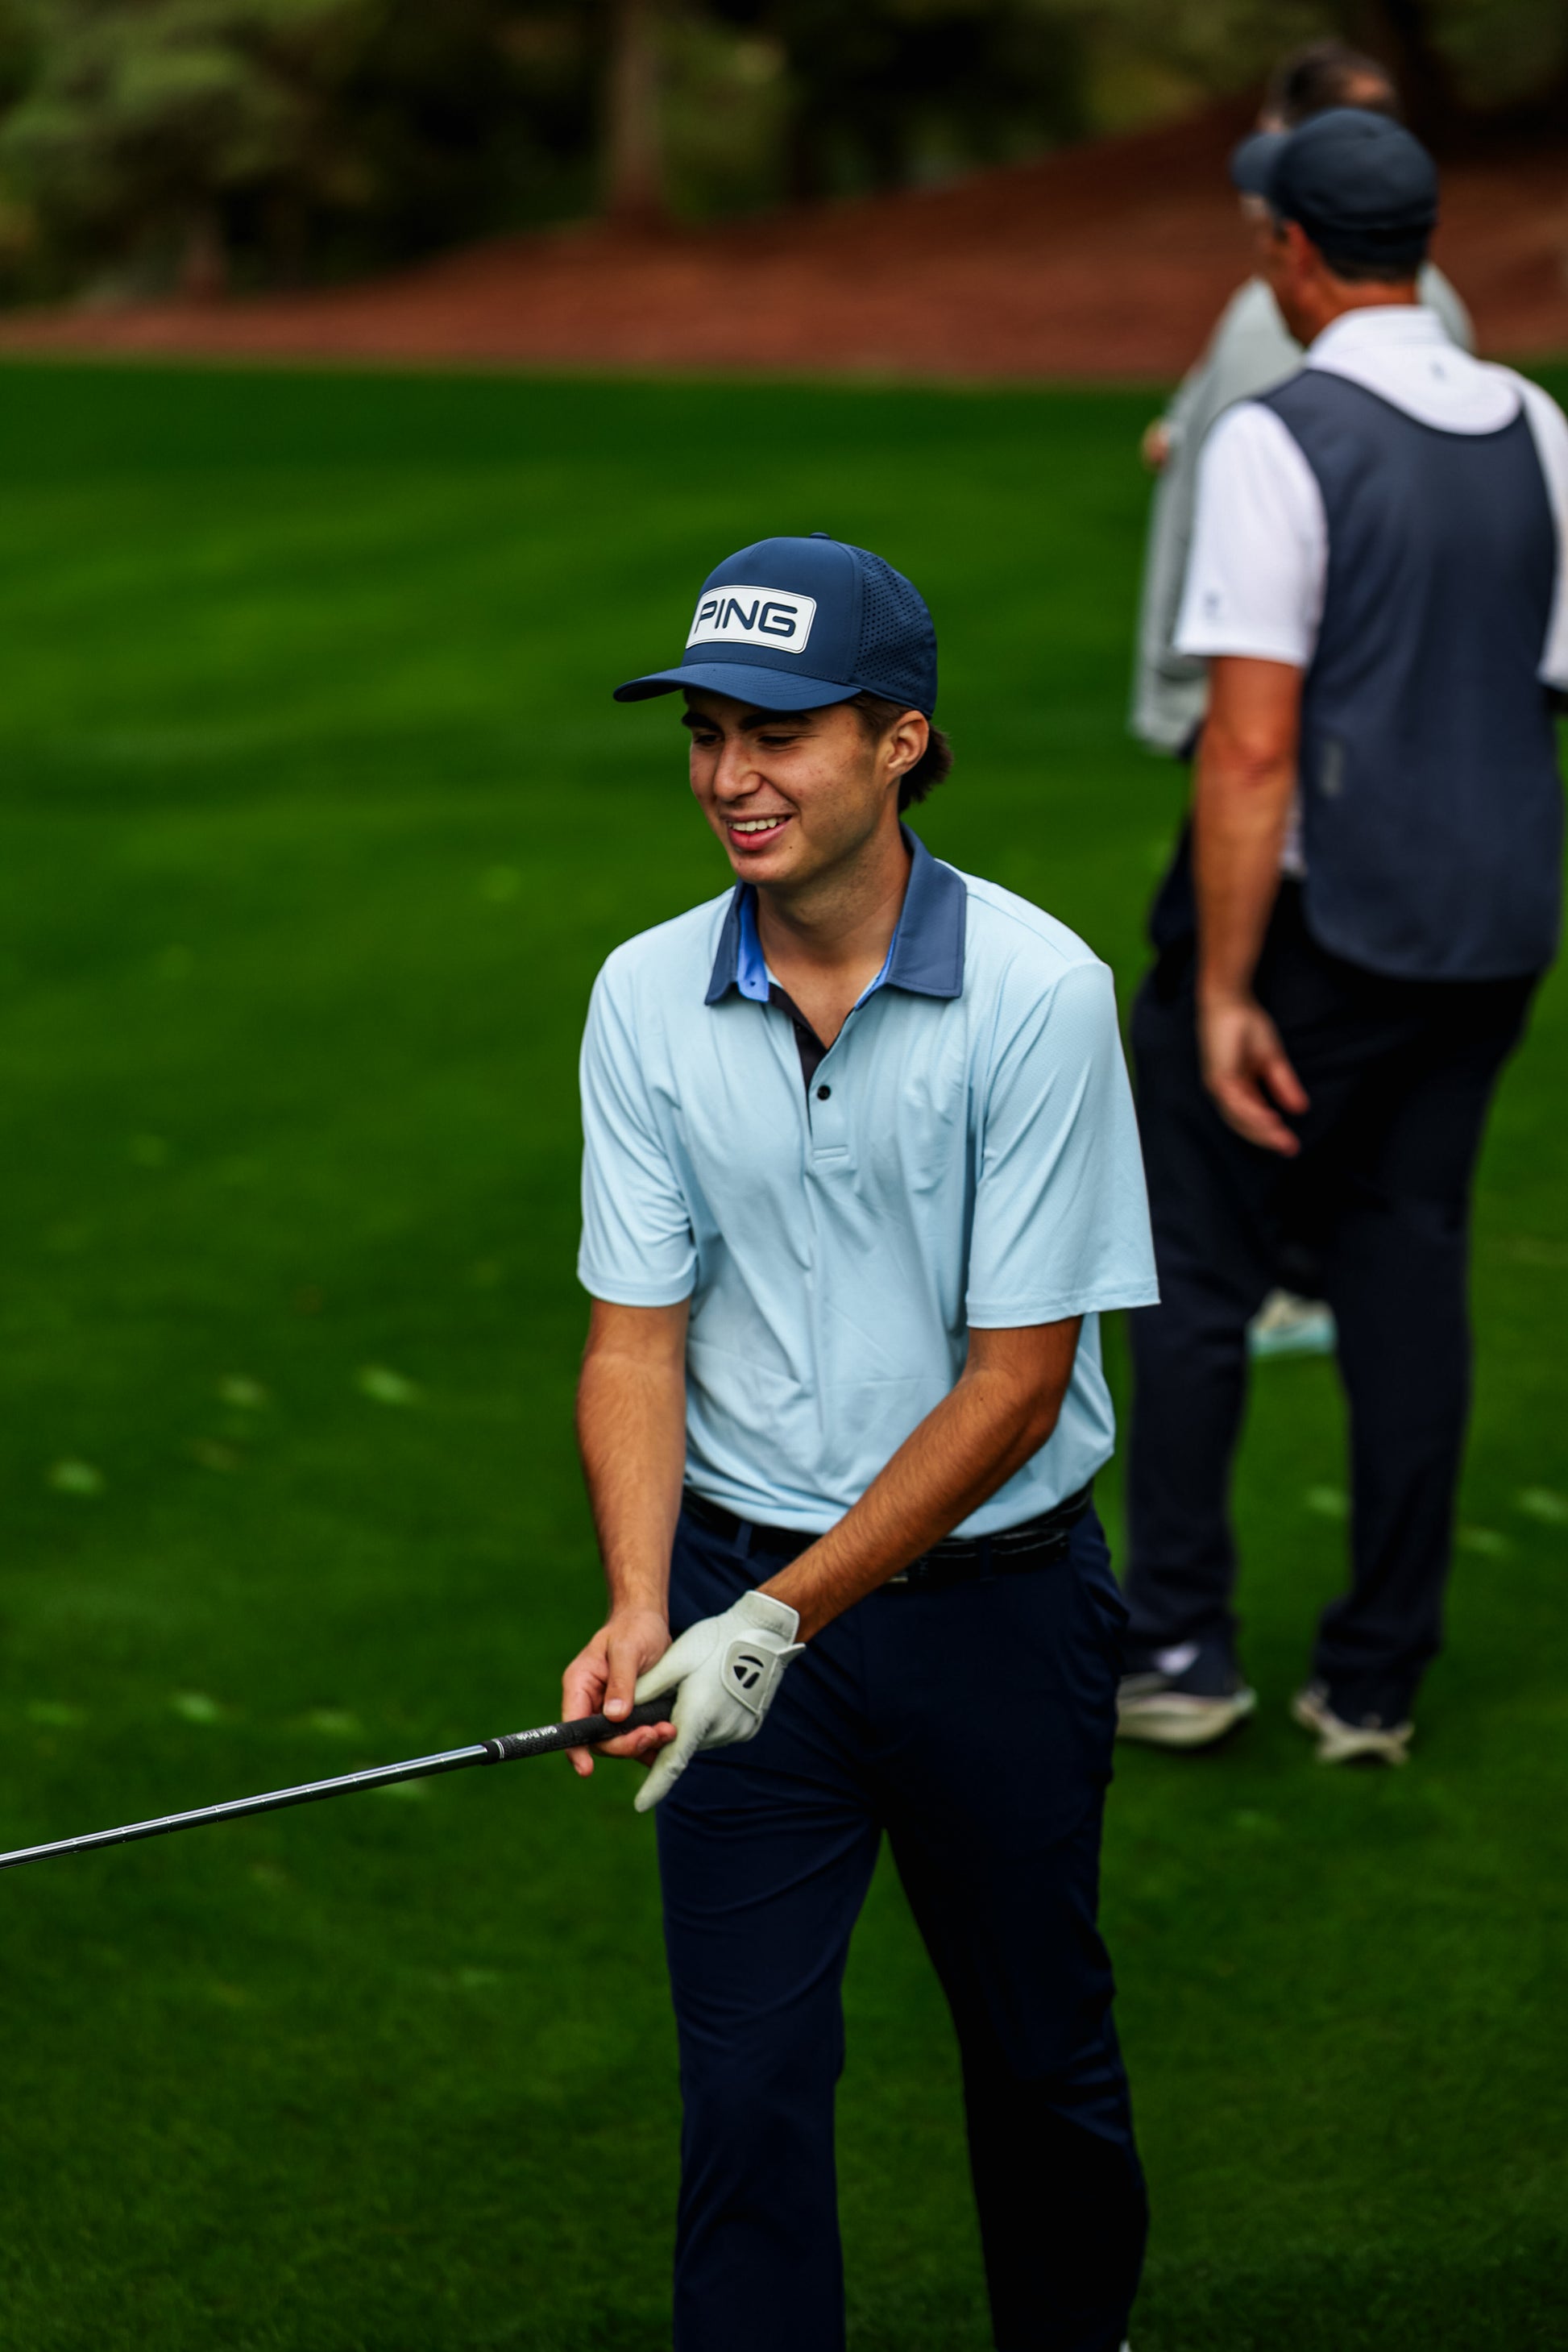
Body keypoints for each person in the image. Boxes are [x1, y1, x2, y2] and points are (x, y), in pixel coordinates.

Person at [560, 531, 1158, 2352]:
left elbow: (1018, 1384)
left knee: (1038, 2060)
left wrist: (782, 1618)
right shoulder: (646, 994)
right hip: (744, 1614)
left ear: (901, 740)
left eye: (782, 735)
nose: (732, 778)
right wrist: (648, 1601)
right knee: (744, 2095)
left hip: (997, 1613)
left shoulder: (1041, 996)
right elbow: (633, 1338)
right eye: (708, 734)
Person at [1116, 110, 1568, 1764]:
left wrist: (1228, 984)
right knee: (1406, 1261)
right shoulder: (1537, 422)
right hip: (1494, 923)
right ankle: (1374, 1674)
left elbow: (1247, 745)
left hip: (1321, 928)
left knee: (1192, 1262)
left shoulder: (1274, 433)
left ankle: (1174, 1642)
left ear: (1292, 254)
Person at [1130, 40, 1474, 760]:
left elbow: (1260, 522)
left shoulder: (1290, 311)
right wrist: (1187, 420)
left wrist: (1188, 677)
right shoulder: (1432, 305)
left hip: (1277, 711)